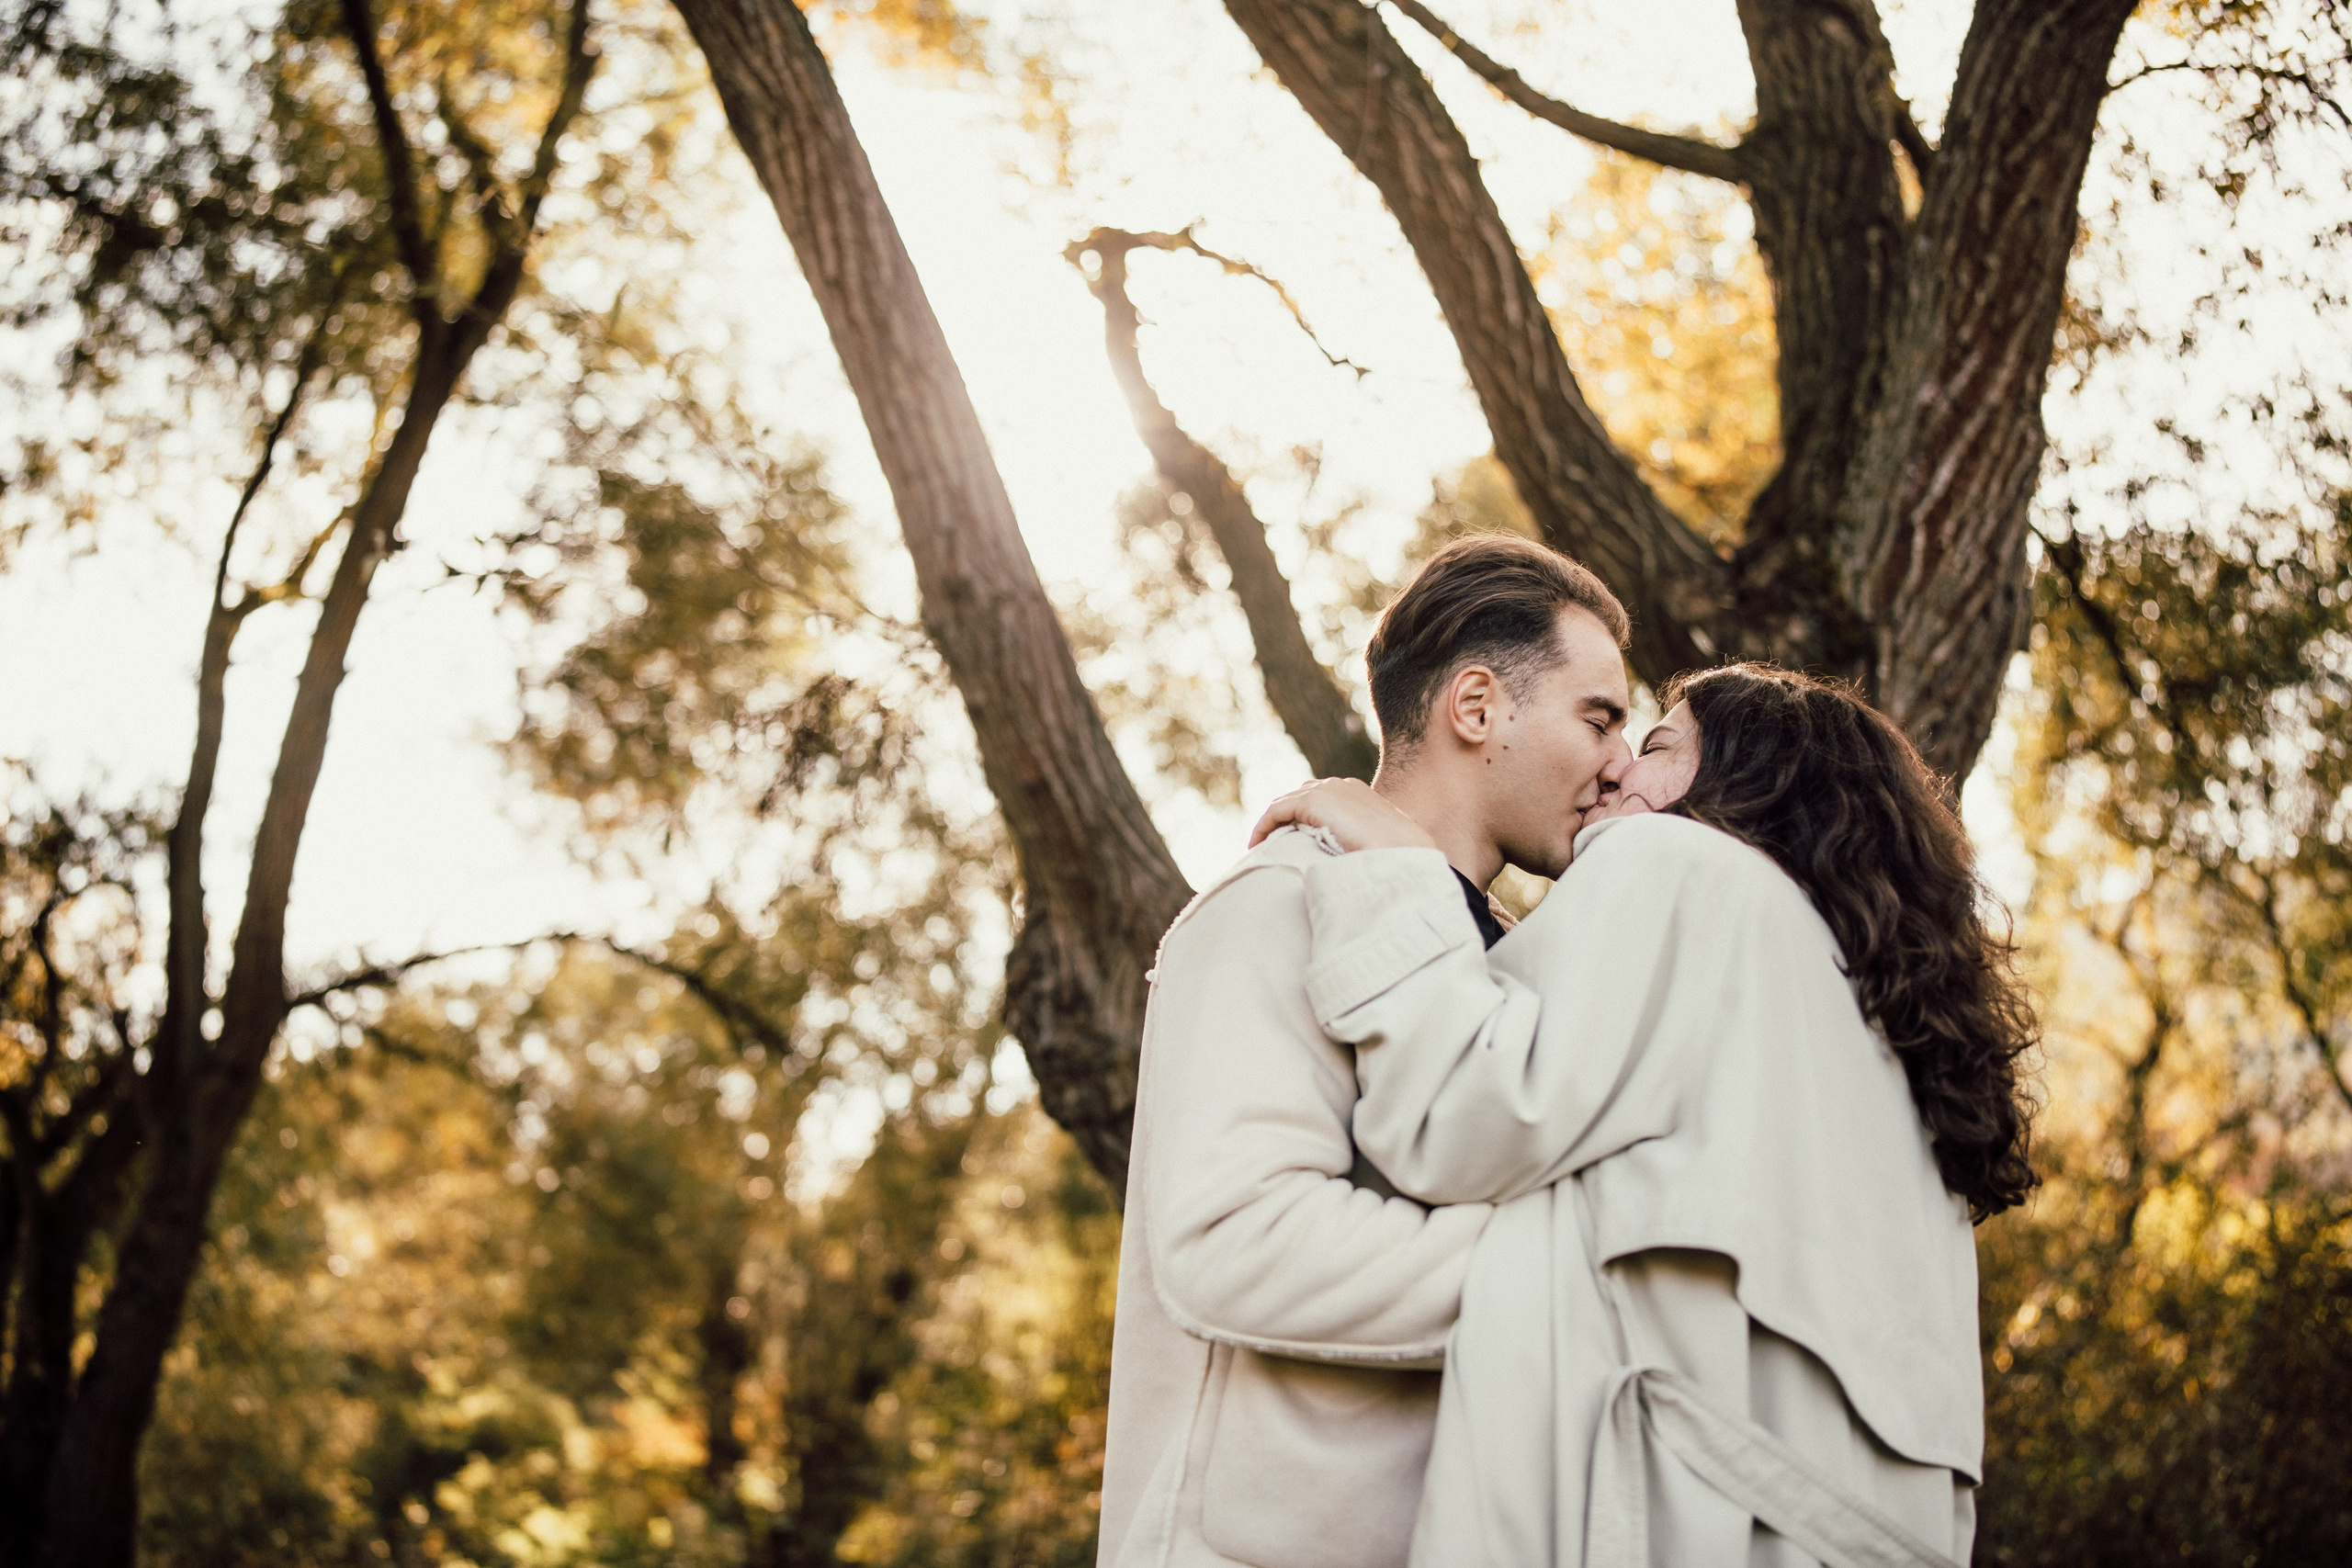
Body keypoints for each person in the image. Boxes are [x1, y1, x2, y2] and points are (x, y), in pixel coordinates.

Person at [1250, 663, 2038, 1568]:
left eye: (1658, 745)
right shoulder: (1883, 1037)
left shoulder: (1676, 860)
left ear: (1758, 776)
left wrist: (1395, 869)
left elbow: (1458, 1122)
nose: (1617, 767)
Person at [1097, 536, 1637, 1568]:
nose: (1620, 760)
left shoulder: (1516, 966)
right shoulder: (1276, 907)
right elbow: (1236, 1240)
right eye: (1598, 717)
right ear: (1476, 707)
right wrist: (1584, 1279)